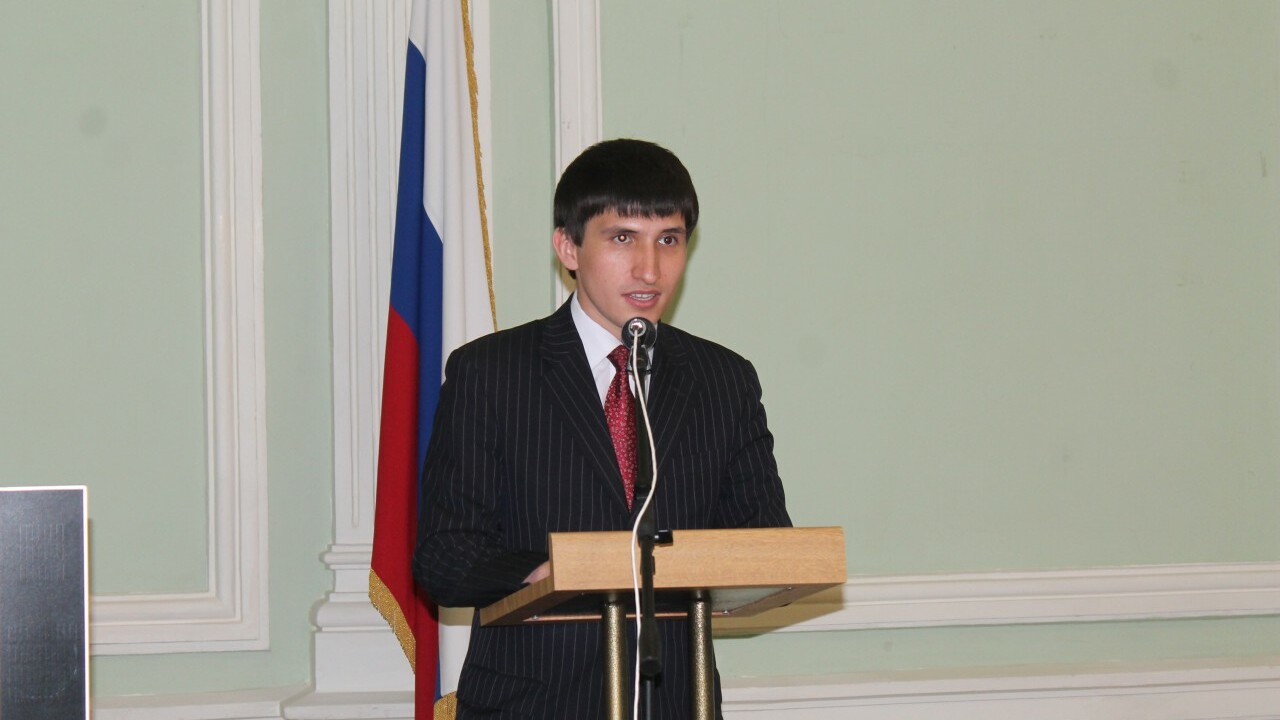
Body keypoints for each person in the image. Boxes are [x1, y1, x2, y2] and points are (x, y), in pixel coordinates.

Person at [413, 138, 791, 718]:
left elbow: (765, 544)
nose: (650, 268)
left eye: (669, 240)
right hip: (532, 704)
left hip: (676, 703)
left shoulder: (723, 379)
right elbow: (444, 556)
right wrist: (545, 573)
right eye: (622, 238)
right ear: (568, 246)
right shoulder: (490, 374)